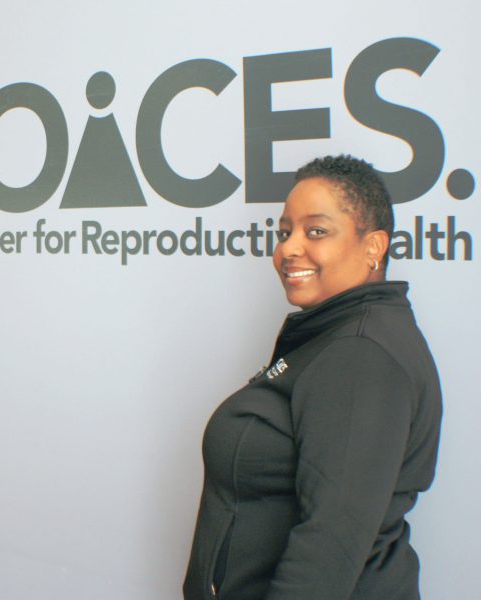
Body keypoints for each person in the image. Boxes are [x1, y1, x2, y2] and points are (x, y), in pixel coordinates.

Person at [183, 155, 442, 600]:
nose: (289, 249)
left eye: (316, 231)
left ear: (373, 246)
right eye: (285, 232)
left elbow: (329, 549)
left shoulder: (360, 355)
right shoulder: (336, 334)